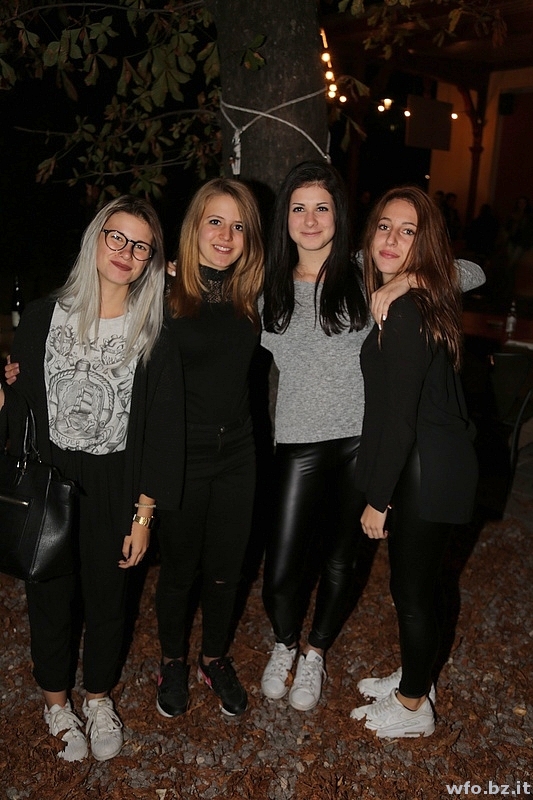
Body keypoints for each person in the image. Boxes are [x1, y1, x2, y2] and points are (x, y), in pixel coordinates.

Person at [259, 161, 484, 714]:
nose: (311, 220)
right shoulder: (265, 283)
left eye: (322, 208)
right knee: (281, 569)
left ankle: (316, 652)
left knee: (341, 562)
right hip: (297, 441)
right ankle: (284, 642)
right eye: (298, 208)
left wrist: (411, 278)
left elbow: (472, 272)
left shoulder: (363, 269)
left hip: (360, 442)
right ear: (284, 218)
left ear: (339, 216)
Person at [0, 196, 185, 762]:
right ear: (95, 239)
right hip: (51, 481)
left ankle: (99, 696)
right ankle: (57, 703)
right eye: (116, 237)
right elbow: (21, 416)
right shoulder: (41, 317)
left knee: (109, 600)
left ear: (150, 260)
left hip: (116, 484)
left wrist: (144, 515)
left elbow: (163, 432)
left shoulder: (154, 334)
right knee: (49, 599)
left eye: (140, 245)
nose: (125, 251)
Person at [350, 185, 478, 738]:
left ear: (423, 246)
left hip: (428, 466)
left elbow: (399, 420)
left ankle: (411, 707)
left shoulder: (406, 309)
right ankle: (416, 676)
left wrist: (377, 499)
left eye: (408, 232)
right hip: (433, 460)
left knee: (412, 592)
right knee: (419, 586)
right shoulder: (419, 300)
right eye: (385, 226)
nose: (392, 239)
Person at [155, 177, 264, 718]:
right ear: (194, 226)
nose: (225, 235)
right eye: (215, 221)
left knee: (227, 567)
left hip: (239, 451)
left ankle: (214, 657)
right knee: (179, 569)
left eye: (238, 225)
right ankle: (172, 661)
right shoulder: (161, 289)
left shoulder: (252, 294)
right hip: (184, 453)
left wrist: (401, 281)